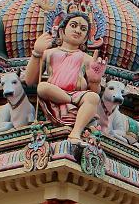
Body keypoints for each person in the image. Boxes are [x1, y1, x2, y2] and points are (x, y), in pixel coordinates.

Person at [24, 12, 106, 145]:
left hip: (77, 94)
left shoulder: (87, 58)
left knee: (93, 98)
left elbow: (94, 91)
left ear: (85, 38)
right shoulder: (50, 53)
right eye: (73, 25)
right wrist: (37, 53)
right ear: (62, 32)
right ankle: (71, 101)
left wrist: (95, 80)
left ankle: (75, 133)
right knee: (42, 87)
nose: (78, 30)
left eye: (83, 29)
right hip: (54, 94)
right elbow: (29, 80)